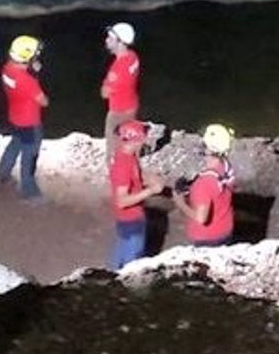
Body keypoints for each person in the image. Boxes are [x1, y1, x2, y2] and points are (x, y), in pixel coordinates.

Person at [0, 34, 48, 199]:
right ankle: (29, 190)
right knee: (29, 156)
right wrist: (36, 75)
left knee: (14, 145)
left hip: (14, 118)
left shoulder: (7, 69)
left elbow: (19, 83)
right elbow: (44, 101)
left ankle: (1, 175)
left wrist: (31, 70)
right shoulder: (27, 80)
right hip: (30, 122)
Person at [108, 118, 165, 270]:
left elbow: (134, 178)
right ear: (135, 139)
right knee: (132, 264)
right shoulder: (123, 165)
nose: (145, 140)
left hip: (129, 218)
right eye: (142, 137)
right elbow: (122, 201)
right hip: (130, 219)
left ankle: (111, 277)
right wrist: (150, 191)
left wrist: (147, 179)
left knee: (121, 250)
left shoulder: (128, 155)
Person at [173, 122, 236, 248]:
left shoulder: (203, 183)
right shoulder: (226, 167)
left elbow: (201, 218)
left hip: (207, 238)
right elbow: (217, 192)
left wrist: (180, 202)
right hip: (225, 228)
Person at [99, 21, 141, 157]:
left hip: (118, 112)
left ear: (121, 42)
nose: (107, 40)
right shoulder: (133, 57)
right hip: (132, 106)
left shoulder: (117, 69)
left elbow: (104, 93)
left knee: (114, 150)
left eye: (110, 38)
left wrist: (106, 82)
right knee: (128, 143)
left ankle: (117, 172)